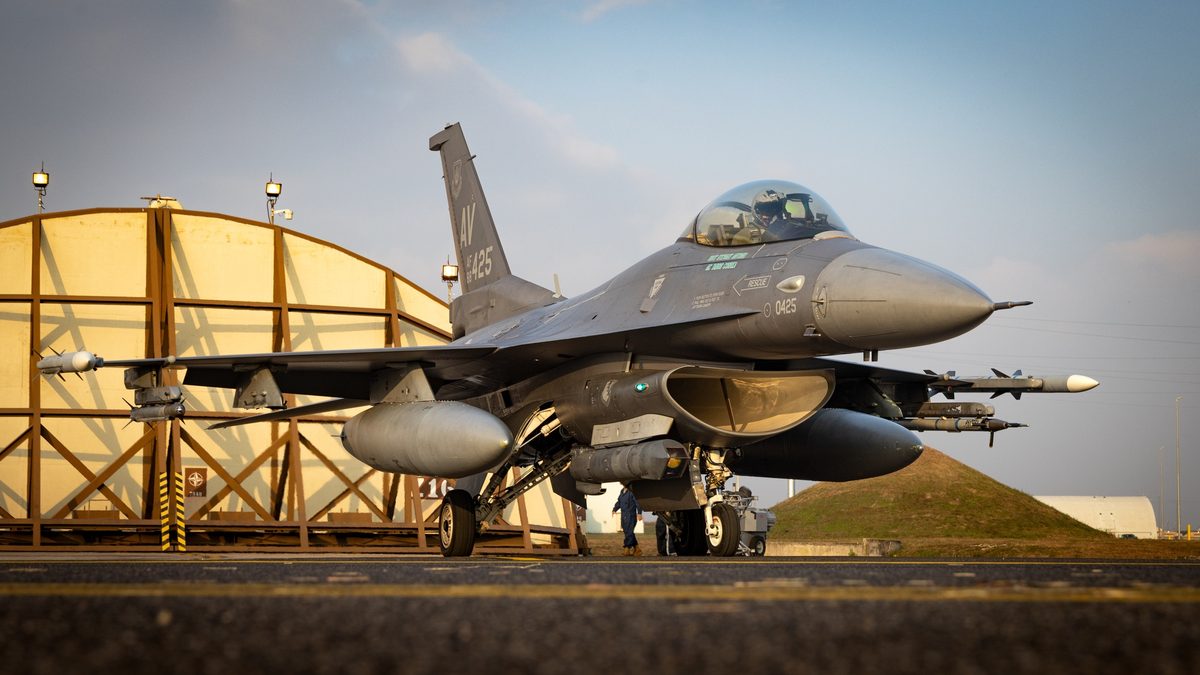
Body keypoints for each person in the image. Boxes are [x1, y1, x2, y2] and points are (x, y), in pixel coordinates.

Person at [612, 484, 643, 556]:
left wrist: (639, 513)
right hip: (624, 515)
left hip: (630, 515)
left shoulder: (632, 492)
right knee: (627, 532)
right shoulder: (622, 491)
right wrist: (614, 509)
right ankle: (637, 549)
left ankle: (627, 548)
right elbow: (619, 502)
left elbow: (637, 503)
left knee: (629, 532)